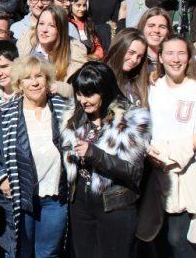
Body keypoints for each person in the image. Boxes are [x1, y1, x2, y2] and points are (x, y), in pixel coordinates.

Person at [0, 56, 71, 257]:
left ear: (47, 79)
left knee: (48, 253)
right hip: (20, 198)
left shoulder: (65, 109)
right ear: (19, 83)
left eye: (39, 76)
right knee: (20, 253)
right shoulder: (4, 113)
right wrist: (0, 178)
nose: (34, 82)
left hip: (55, 198)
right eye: (27, 78)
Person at [61, 61, 151, 258]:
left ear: (105, 91)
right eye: (79, 93)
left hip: (114, 205)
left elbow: (134, 171)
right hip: (80, 204)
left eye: (89, 94)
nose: (83, 100)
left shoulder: (130, 120)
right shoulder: (74, 116)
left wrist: (95, 154)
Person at [138, 35, 196, 257]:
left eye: (181, 53)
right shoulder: (151, 90)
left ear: (189, 57)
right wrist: (149, 150)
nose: (176, 59)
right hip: (154, 173)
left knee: (179, 237)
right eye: (170, 53)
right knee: (156, 237)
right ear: (161, 58)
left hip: (188, 171)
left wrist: (172, 152)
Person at [137, 7, 172, 71]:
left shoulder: (174, 60)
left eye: (162, 27)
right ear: (142, 28)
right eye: (151, 26)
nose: (156, 30)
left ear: (168, 31)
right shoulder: (134, 59)